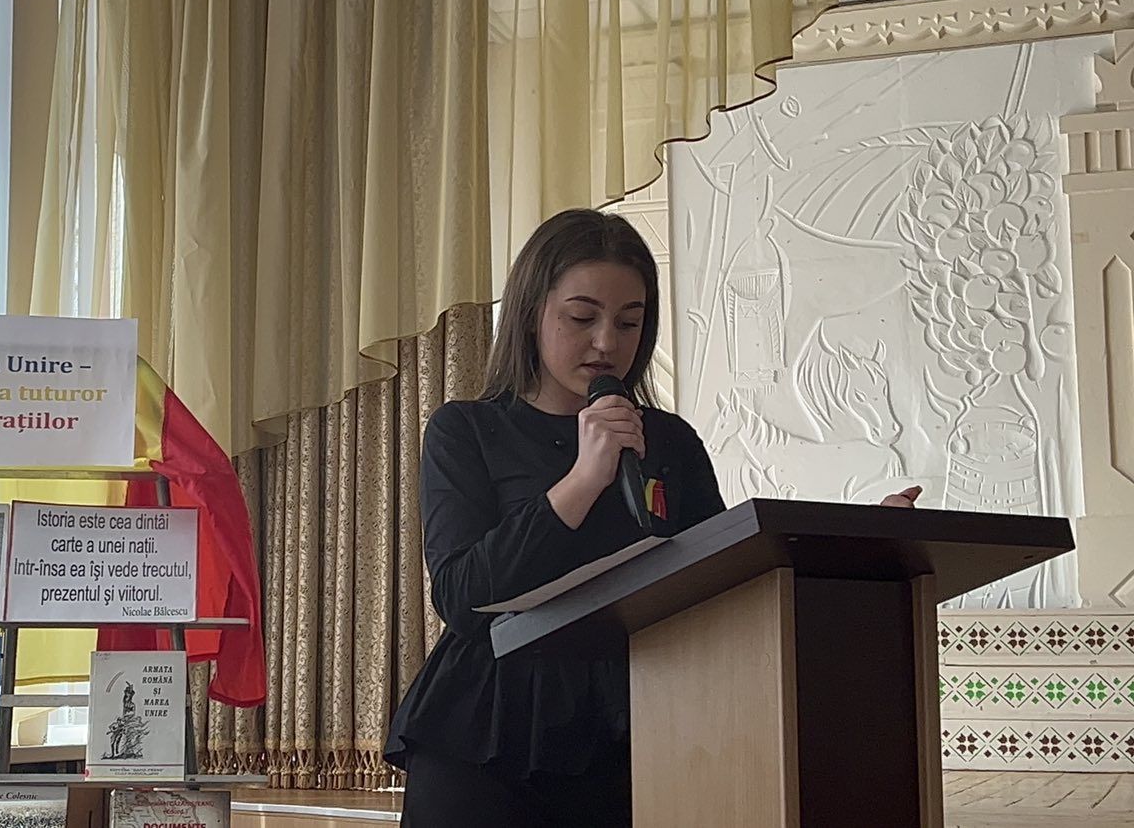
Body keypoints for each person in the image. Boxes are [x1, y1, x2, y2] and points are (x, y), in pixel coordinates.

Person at [383, 209, 919, 826]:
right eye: (581, 318)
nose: (606, 343)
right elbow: (462, 594)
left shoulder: (669, 440)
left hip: (635, 720)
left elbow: (722, 580)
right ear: (532, 314)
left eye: (629, 322)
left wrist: (856, 543)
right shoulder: (466, 429)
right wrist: (583, 480)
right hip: (488, 727)